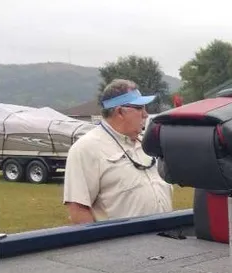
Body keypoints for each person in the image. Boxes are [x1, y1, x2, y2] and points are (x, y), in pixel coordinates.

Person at [63, 79, 173, 224]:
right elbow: (78, 209)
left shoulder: (146, 144)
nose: (146, 114)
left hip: (163, 235)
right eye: (140, 108)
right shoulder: (86, 148)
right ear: (120, 112)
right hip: (122, 239)